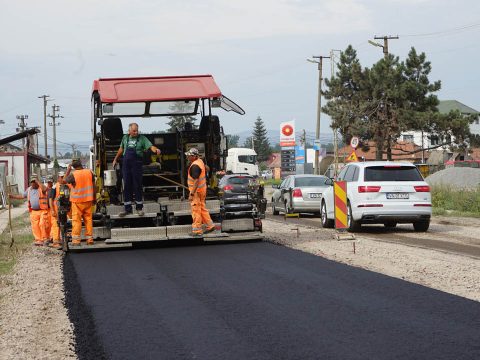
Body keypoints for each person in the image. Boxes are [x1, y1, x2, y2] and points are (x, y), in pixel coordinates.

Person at [112, 122, 161, 217]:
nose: (136, 132)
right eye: (134, 131)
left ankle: (139, 208)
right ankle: (127, 209)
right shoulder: (125, 138)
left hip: (136, 164)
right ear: (129, 130)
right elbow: (121, 149)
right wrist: (115, 159)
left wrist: (156, 150)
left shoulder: (142, 138)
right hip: (126, 164)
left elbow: (151, 146)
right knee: (127, 185)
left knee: (137, 185)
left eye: (137, 130)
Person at [10, 176, 49, 246]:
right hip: (33, 211)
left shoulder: (41, 188)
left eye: (34, 182)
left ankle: (45, 239)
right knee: (35, 226)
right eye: (32, 182)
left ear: (37, 182)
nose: (33, 184)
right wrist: (12, 196)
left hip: (42, 210)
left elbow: (45, 189)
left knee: (42, 224)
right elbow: (22, 196)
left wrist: (37, 181)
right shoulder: (29, 190)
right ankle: (38, 240)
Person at [64, 159, 95, 246]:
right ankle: (89, 240)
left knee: (76, 221)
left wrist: (68, 170)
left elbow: (64, 181)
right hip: (88, 200)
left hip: (77, 202)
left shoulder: (73, 174)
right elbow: (94, 185)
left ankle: (76, 241)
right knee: (88, 220)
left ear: (73, 167)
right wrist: (94, 198)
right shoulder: (89, 172)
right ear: (81, 164)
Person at [185, 148, 215, 237]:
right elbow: (207, 168)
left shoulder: (194, 166)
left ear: (193, 156)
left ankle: (197, 230)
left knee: (196, 210)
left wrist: (192, 194)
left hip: (196, 192)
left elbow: (196, 181)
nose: (187, 156)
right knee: (202, 208)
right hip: (202, 190)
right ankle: (210, 226)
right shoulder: (200, 161)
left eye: (189, 155)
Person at [48, 172, 65, 249]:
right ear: (58, 178)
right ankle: (56, 241)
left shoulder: (66, 186)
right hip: (56, 209)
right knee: (56, 225)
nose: (62, 178)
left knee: (64, 224)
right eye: (61, 177)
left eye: (63, 177)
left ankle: (63, 240)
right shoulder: (55, 187)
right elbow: (50, 199)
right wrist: (52, 210)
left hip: (64, 209)